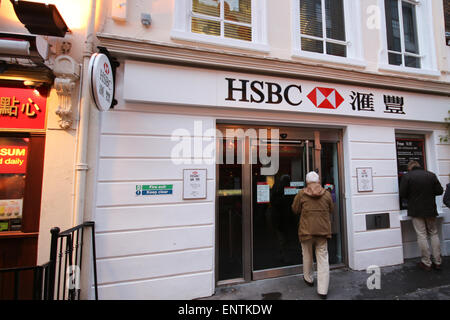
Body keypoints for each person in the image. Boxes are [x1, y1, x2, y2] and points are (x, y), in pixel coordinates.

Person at [291, 171, 333, 300]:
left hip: (306, 231)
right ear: (318, 181)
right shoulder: (326, 194)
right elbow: (331, 209)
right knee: (323, 260)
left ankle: (309, 279)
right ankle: (323, 290)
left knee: (307, 256)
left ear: (307, 181)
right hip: (322, 231)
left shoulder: (301, 194)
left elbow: (295, 209)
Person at [399, 161, 444, 271]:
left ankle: (426, 262)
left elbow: (402, 194)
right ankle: (437, 261)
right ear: (420, 166)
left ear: (410, 168)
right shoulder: (431, 175)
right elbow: (439, 191)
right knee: (433, 233)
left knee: (422, 235)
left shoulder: (407, 176)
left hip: (416, 210)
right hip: (430, 209)